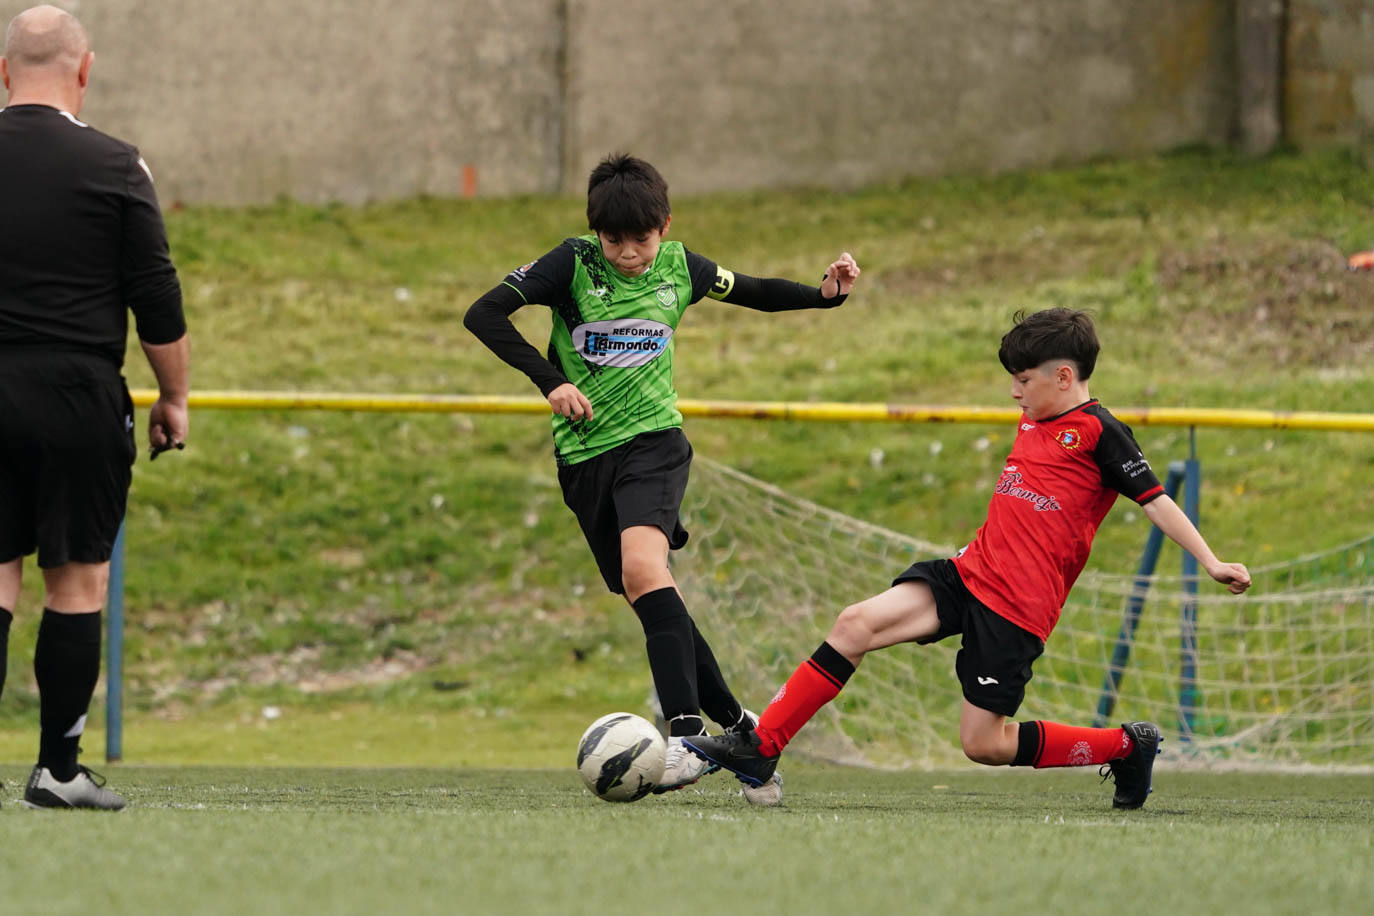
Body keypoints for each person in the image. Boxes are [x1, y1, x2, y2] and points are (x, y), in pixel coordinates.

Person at [685, 308, 1251, 809]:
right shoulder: (1035, 415)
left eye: (1023, 380)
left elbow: (1156, 502)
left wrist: (1211, 561)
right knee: (855, 623)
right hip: (968, 572)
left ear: (1063, 376)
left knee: (983, 744)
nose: (1014, 392)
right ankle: (762, 748)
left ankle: (1129, 746)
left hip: (1017, 607)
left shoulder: (1103, 433)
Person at [465, 153, 859, 805]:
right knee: (649, 595)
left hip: (654, 443)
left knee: (646, 571)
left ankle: (684, 736)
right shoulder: (571, 264)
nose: (626, 253)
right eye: (613, 240)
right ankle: (746, 737)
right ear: (595, 233)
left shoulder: (683, 269)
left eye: (640, 240)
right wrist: (552, 381)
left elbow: (757, 291)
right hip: (586, 459)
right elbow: (484, 314)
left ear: (665, 227)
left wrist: (824, 295)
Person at [0, 5, 189, 810]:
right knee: (75, 582)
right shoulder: (116, 165)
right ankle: (58, 773)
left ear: (5, 71)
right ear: (86, 70)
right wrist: (174, 395)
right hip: (78, 391)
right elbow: (156, 295)